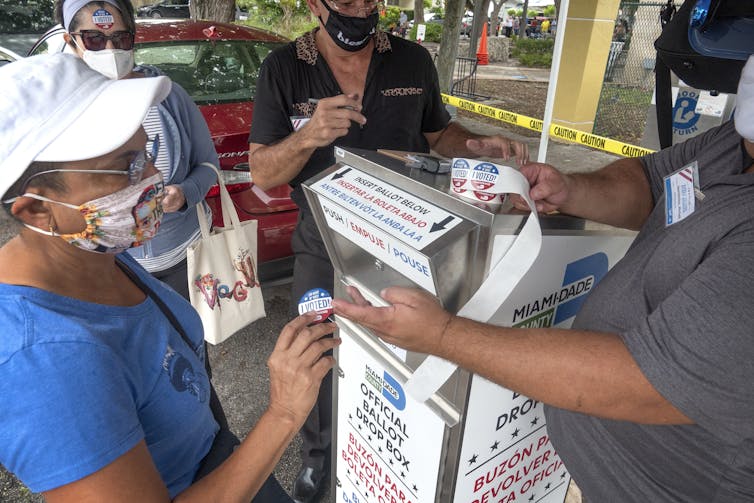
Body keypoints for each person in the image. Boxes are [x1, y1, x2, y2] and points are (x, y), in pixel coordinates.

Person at [334, 54, 754, 502]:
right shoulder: (734, 141)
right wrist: (571, 190)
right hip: (603, 472)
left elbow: (647, 381)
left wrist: (442, 335)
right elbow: (652, 181)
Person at [0, 53, 339, 502]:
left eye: (146, 154)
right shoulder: (43, 362)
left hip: (219, 461)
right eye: (126, 166)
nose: (156, 176)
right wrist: (283, 412)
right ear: (37, 209)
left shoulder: (91, 256)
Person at [246, 0, 529, 500]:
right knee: (318, 357)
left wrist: (477, 146)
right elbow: (264, 173)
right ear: (316, 5)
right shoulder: (284, 68)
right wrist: (309, 135)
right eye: (347, 1)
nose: (361, 8)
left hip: (404, 241)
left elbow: (439, 134)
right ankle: (320, 464)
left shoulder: (412, 60)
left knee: (402, 359)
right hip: (323, 239)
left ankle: (389, 470)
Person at [57, 0, 219, 301]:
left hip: (186, 258)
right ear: (71, 40)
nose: (109, 49)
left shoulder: (167, 95)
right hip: (110, 269)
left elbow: (209, 164)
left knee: (188, 342)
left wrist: (185, 193)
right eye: (95, 39)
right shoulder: (63, 109)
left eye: (120, 38)